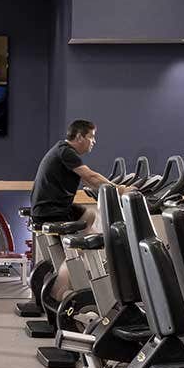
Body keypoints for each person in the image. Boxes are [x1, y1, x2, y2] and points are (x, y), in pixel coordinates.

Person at [30, 119, 115, 299]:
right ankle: (57, 291)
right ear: (79, 137)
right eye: (91, 137)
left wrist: (104, 186)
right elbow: (90, 176)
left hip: (49, 208)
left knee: (89, 215)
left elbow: (88, 180)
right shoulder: (66, 152)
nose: (94, 141)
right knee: (78, 249)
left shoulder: (61, 150)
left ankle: (93, 258)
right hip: (52, 211)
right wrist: (119, 189)